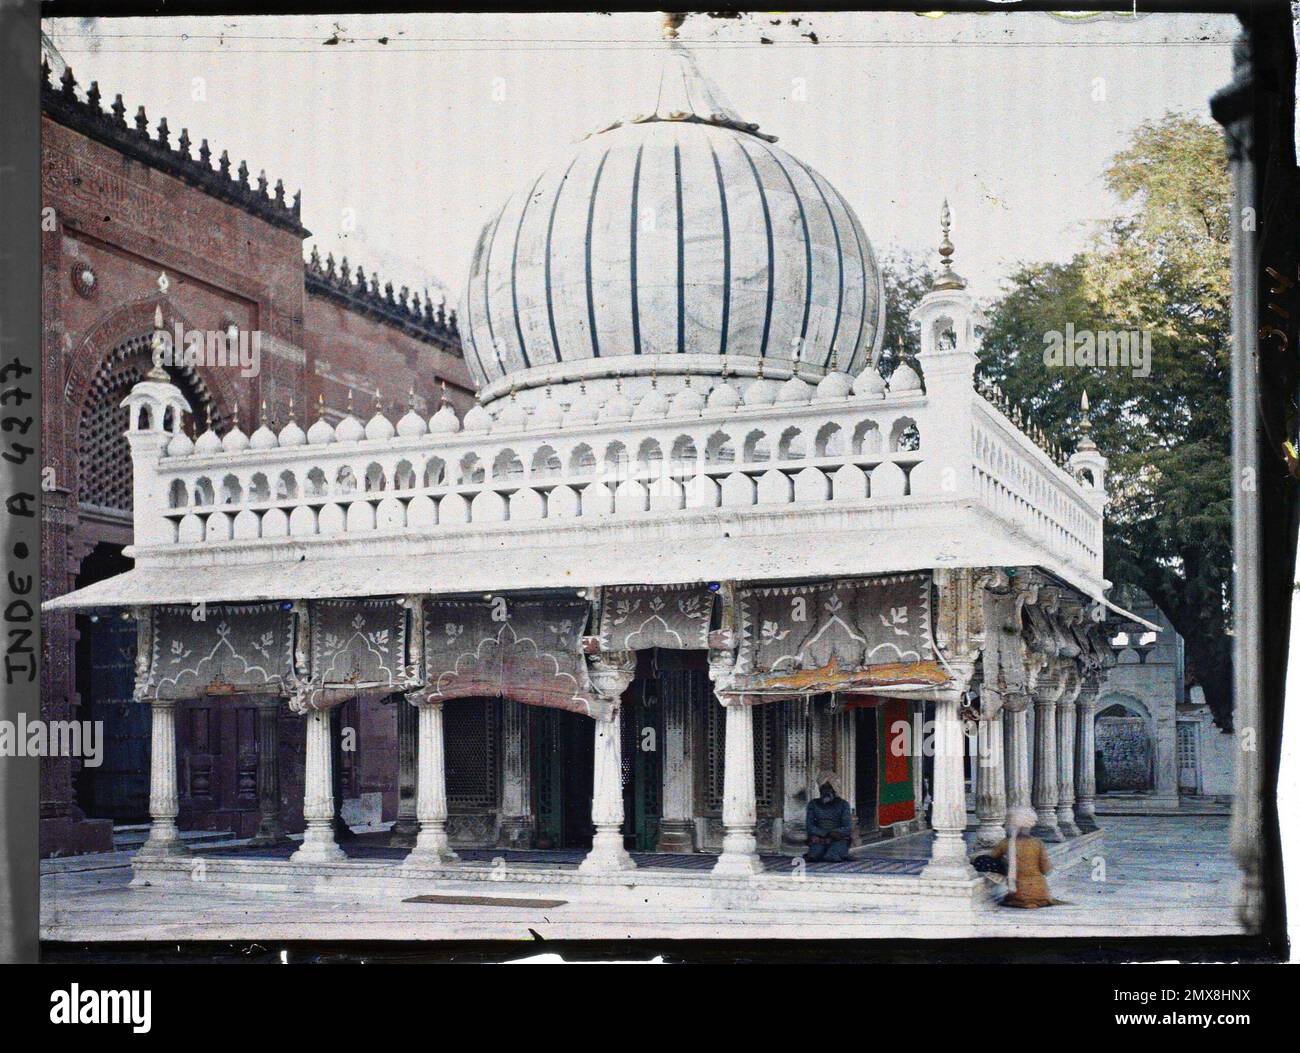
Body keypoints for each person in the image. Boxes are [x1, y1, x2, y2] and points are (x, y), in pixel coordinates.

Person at [989, 806, 1063, 908]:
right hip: (1041, 893)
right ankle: (1033, 901)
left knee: (1009, 898)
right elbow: (1046, 869)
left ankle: (1026, 901)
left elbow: (992, 857)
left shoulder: (1005, 843)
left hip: (1019, 892)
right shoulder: (1037, 843)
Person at [804, 772, 852, 863]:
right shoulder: (813, 804)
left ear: (835, 790)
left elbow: (847, 827)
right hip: (819, 839)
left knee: (832, 856)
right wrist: (821, 836)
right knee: (814, 856)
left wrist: (831, 835)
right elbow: (809, 826)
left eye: (829, 788)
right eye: (823, 788)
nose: (826, 791)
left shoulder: (843, 804)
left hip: (837, 839)